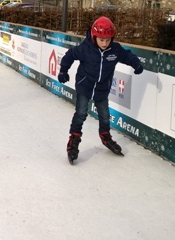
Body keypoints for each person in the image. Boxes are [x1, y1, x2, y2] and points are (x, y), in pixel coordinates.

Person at [58, 16, 143, 163]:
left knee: (104, 115)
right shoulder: (86, 48)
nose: (105, 43)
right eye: (101, 40)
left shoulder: (115, 50)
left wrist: (136, 64)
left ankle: (105, 136)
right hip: (85, 86)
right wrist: (63, 71)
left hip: (102, 89)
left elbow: (127, 55)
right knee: (81, 113)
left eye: (108, 40)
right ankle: (74, 140)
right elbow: (70, 55)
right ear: (94, 37)